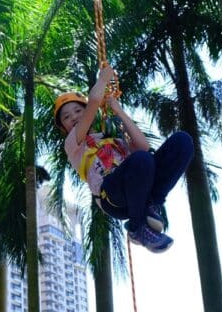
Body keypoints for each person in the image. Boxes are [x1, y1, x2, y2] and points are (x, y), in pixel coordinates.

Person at [56, 65, 194, 252]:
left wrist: (118, 110)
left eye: (78, 111)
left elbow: (144, 146)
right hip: (112, 197)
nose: (73, 116)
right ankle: (137, 227)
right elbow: (95, 101)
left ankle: (151, 204)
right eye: (66, 116)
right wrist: (103, 79)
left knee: (182, 142)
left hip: (137, 185)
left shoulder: (111, 137)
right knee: (141, 160)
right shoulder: (74, 144)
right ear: (64, 127)